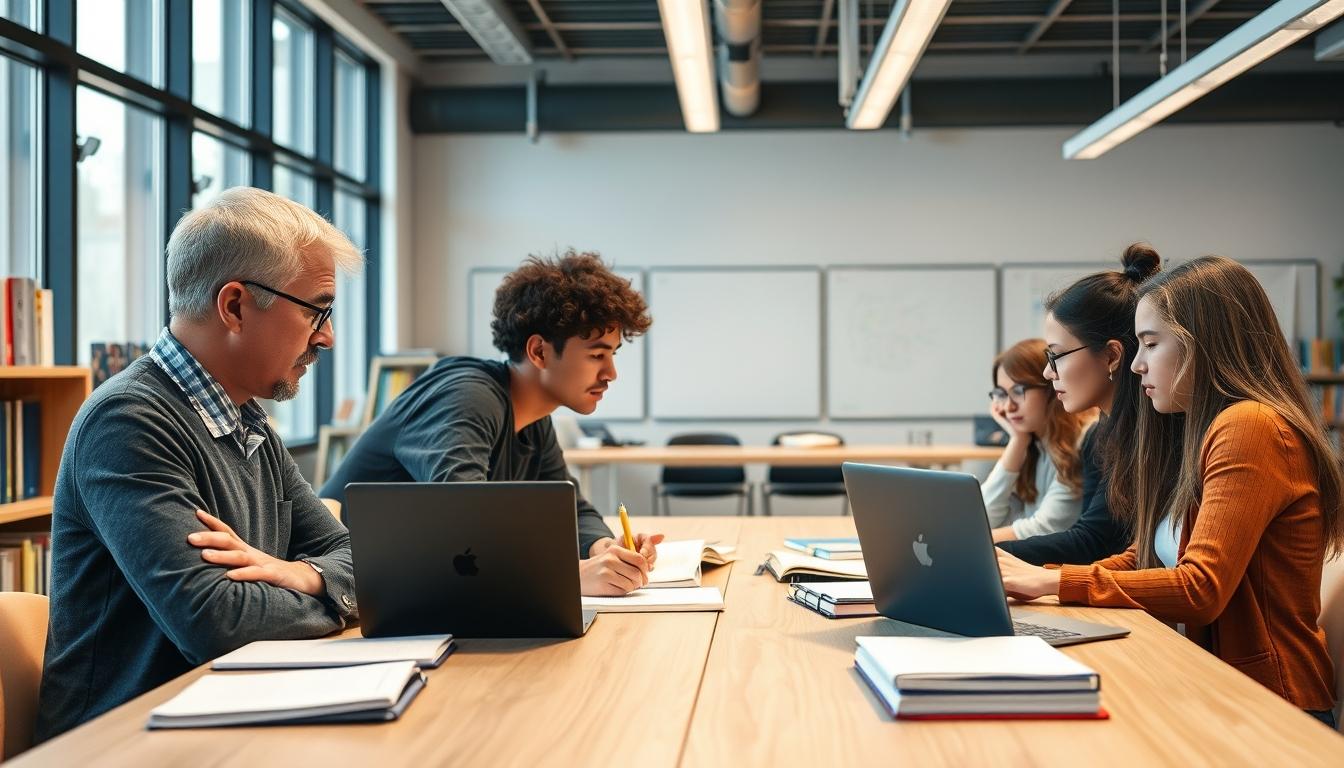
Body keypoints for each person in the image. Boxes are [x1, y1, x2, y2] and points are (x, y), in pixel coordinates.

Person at [36, 187, 363, 741]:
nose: (327, 337)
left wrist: (305, 573)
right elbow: (217, 623)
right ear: (234, 305)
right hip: (123, 744)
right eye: (316, 310)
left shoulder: (248, 421)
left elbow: (359, 556)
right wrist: (334, 592)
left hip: (231, 715)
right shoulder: (128, 422)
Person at [998, 255, 1341, 724]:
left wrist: (1053, 581)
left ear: (1204, 344)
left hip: (1275, 706)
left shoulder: (1251, 427)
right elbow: (1148, 555)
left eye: (1150, 344)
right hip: (1216, 685)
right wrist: (1036, 582)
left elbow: (1201, 589)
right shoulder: (1201, 429)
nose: (1137, 365)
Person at [321, 250, 661, 596]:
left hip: (406, 592)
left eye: (612, 355)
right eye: (596, 355)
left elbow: (568, 508)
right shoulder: (467, 396)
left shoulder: (533, 418)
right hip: (342, 591)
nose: (611, 374)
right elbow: (467, 529)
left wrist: (603, 549)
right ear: (539, 352)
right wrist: (573, 575)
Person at [996, 244, 1165, 566]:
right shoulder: (1104, 433)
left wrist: (980, 555)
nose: (1048, 372)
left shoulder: (1153, 434)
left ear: (1112, 356)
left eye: (1056, 355)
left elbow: (1096, 543)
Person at [982, 339, 1088, 543]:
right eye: (1001, 395)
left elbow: (1047, 527)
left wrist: (973, 540)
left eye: (1018, 391)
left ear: (1050, 388)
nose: (1008, 407)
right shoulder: (1033, 445)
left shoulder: (1081, 440)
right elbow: (983, 517)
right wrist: (1017, 440)